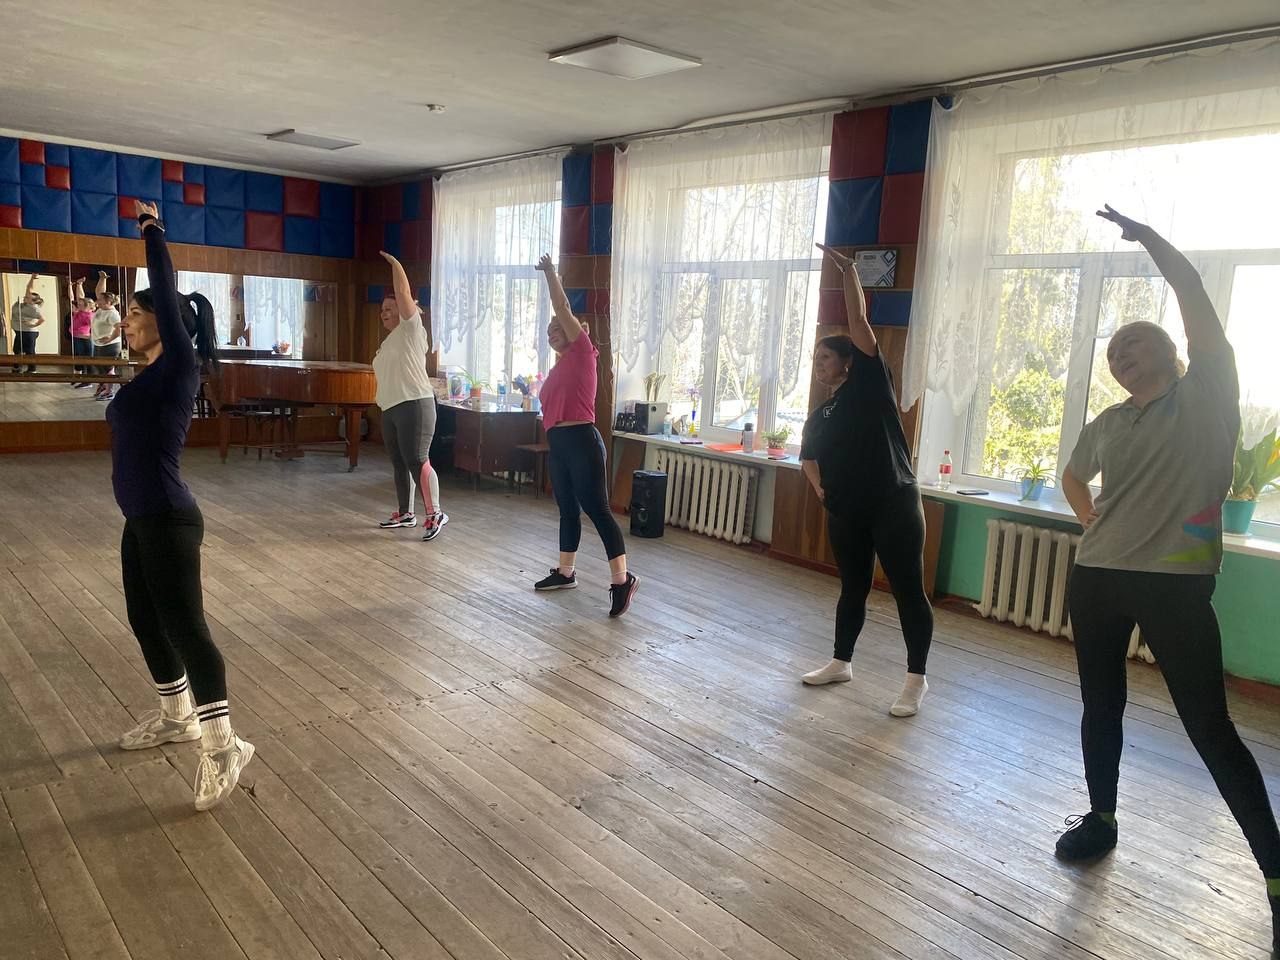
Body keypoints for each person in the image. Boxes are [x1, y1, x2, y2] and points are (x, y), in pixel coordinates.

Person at [1056, 205, 1280, 947]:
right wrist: (1088, 516)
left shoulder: (1207, 393)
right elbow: (1072, 474)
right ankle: (1102, 817)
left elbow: (1193, 298)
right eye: (1113, 352)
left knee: (1210, 728)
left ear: (1176, 353)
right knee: (1101, 705)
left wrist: (1150, 240)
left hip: (1174, 582)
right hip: (1097, 575)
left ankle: (1277, 876)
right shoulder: (1110, 421)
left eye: (1135, 342)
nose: (1121, 354)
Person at [110, 200, 252, 811]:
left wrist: (152, 232)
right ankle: (177, 717)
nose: (127, 320)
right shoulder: (147, 375)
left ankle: (224, 747)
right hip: (141, 518)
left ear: (164, 324)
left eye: (136, 313)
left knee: (187, 627)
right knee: (146, 619)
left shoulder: (179, 369)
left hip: (169, 518)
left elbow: (167, 294)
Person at [797, 244, 934, 718]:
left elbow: (859, 323)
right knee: (852, 587)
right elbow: (808, 458)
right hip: (847, 510)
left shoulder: (871, 384)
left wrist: (850, 275)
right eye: (815, 357)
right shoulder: (821, 413)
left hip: (894, 503)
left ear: (850, 362)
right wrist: (820, 489)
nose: (819, 363)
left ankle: (915, 679)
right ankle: (841, 662)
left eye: (827, 357)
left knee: (907, 591)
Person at [533, 254, 638, 617]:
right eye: (549, 331)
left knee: (598, 509)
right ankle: (566, 573)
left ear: (575, 330)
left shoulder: (583, 352)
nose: (552, 333)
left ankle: (622, 580)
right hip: (560, 444)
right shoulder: (559, 368)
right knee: (567, 509)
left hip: (582, 441)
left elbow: (561, 306)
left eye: (557, 328)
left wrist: (550, 273)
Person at [372, 250, 447, 541]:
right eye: (382, 309)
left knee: (417, 459)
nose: (384, 312)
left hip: (415, 404)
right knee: (399, 462)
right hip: (391, 407)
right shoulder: (390, 341)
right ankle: (406, 513)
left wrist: (396, 264)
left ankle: (435, 513)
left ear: (407, 309)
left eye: (390, 307)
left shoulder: (411, 329)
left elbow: (403, 292)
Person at [92, 271, 122, 401]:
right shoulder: (101, 309)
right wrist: (102, 278)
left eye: (100, 300)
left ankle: (109, 392)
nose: (97, 301)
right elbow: (99, 291)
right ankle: (102, 386)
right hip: (99, 344)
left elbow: (119, 330)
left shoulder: (112, 314)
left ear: (108, 302)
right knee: (100, 367)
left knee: (108, 368)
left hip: (110, 345)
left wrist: (109, 339)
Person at [10, 273, 44, 374]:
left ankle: (32, 369)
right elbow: (29, 288)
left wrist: (32, 325)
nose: (25, 297)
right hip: (19, 331)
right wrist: (32, 278)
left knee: (29, 351)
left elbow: (42, 319)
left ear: (33, 301)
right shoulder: (25, 304)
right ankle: (17, 367)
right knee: (16, 350)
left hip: (29, 333)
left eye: (27, 297)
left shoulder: (34, 309)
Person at [70, 278, 95, 386]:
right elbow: (78, 298)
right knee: (78, 358)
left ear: (87, 306)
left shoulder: (89, 315)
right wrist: (78, 285)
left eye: (81, 304)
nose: (78, 305)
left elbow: (94, 328)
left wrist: (90, 336)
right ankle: (77, 376)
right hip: (76, 338)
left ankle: (88, 381)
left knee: (88, 360)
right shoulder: (79, 312)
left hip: (84, 340)